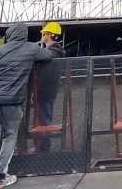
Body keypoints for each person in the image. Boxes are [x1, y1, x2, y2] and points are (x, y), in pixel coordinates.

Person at [0, 23, 55, 189]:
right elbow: (48, 56)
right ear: (24, 34)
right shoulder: (31, 49)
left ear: (9, 34)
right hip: (12, 102)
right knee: (9, 137)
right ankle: (1, 176)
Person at [34, 22, 66, 152]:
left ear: (50, 35)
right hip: (47, 91)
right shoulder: (54, 52)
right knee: (43, 118)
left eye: (44, 34)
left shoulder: (53, 53)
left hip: (45, 92)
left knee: (44, 119)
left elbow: (47, 74)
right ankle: (42, 145)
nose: (42, 35)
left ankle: (45, 148)